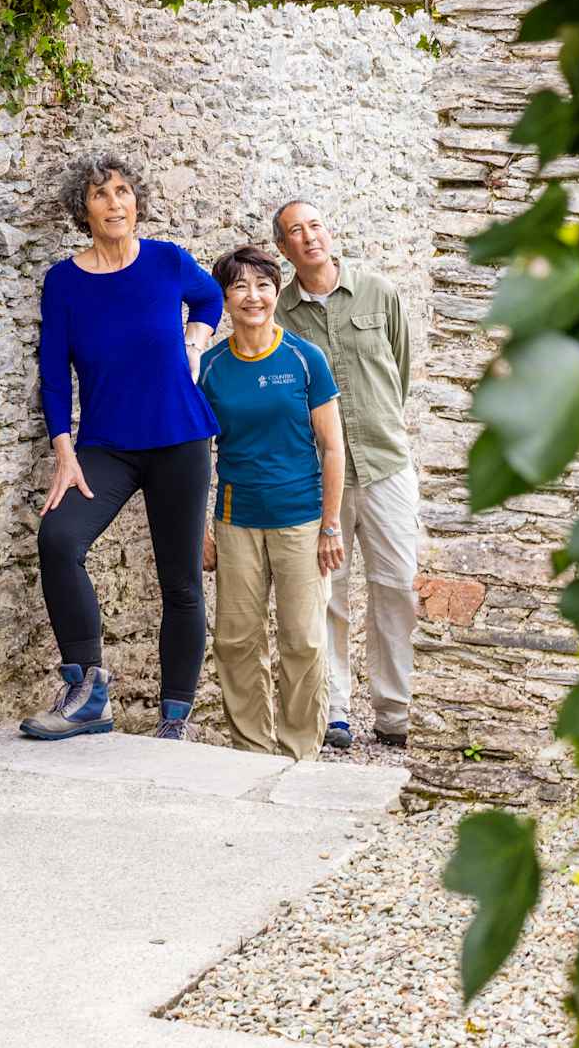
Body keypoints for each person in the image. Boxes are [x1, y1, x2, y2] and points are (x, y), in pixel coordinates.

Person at [22, 151, 224, 744]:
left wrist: (195, 338)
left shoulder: (166, 260)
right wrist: (64, 449)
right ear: (82, 211)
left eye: (122, 192)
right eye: (101, 195)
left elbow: (209, 297)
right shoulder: (63, 281)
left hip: (181, 437)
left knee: (180, 580)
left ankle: (174, 719)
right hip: (106, 445)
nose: (115, 204)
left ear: (137, 201)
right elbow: (54, 371)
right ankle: (88, 691)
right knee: (59, 539)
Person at [273, 200, 418, 753]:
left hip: (385, 466)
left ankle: (394, 709)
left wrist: (380, 427)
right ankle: (335, 711)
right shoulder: (282, 317)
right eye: (295, 232)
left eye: (315, 225)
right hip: (321, 477)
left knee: (397, 586)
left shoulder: (378, 291)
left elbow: (398, 369)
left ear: (328, 234)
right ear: (285, 249)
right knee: (327, 594)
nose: (308, 238)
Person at [199, 248, 345, 761]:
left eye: (262, 285)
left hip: (302, 520)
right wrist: (201, 529)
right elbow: (196, 454)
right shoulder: (211, 367)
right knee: (236, 641)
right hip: (237, 521)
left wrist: (332, 526)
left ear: (275, 291)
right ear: (225, 299)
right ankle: (252, 749)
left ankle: (299, 750)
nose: (252, 297)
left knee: (303, 640)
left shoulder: (306, 358)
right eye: (239, 287)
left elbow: (332, 446)